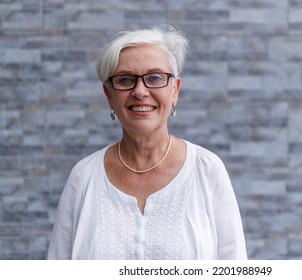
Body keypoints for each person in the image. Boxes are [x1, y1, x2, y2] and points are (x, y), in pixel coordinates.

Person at [47, 25, 247, 260]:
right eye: (125, 80)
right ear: (109, 95)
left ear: (175, 91)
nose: (140, 91)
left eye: (155, 78)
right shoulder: (83, 176)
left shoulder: (207, 169)